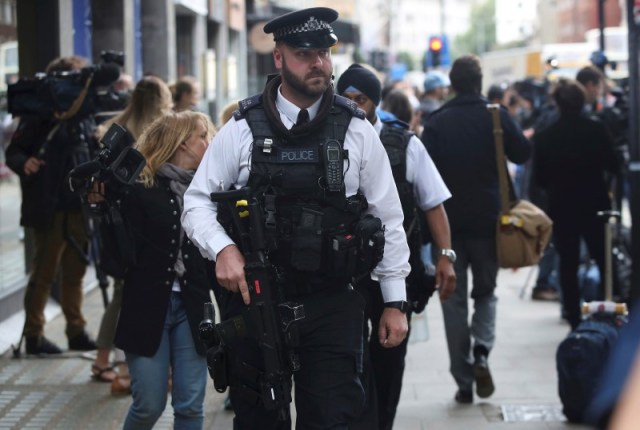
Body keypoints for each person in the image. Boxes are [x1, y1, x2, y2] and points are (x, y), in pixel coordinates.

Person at [182, 7, 411, 429]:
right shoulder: (243, 127)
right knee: (260, 419)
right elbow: (195, 203)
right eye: (305, 54)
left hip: (332, 301)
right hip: (257, 299)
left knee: (332, 417)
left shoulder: (356, 128)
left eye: (324, 52)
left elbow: (387, 217)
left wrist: (395, 302)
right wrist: (224, 249)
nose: (318, 63)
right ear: (279, 58)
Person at [337, 64, 456, 430]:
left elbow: (433, 203)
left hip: (395, 273)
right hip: (343, 275)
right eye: (347, 98)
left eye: (363, 99)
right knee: (347, 362)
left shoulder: (405, 144)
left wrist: (445, 257)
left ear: (375, 101)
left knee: (389, 358)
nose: (355, 106)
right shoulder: (326, 140)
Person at [422, 55, 531, 404]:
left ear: (452, 85)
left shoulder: (437, 122)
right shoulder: (496, 115)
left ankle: (464, 380)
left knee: (452, 300)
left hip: (447, 228)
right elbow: (523, 154)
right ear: (480, 81)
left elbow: (423, 178)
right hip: (489, 223)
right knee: (486, 292)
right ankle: (482, 350)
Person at [113, 110, 217, 429]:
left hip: (193, 305)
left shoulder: (210, 190)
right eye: (202, 136)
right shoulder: (140, 187)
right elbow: (117, 258)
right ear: (182, 142)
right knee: (149, 405)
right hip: (146, 306)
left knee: (190, 404)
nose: (208, 142)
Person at [5, 55, 100, 355]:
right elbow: (13, 152)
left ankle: (76, 331)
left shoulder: (83, 114)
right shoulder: (40, 115)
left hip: (78, 205)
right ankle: (34, 335)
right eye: (74, 78)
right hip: (48, 206)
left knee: (76, 272)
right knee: (44, 273)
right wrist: (25, 162)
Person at [90, 75, 174, 389]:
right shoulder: (163, 131)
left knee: (120, 293)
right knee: (148, 293)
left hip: (117, 224)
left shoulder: (114, 131)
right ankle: (135, 369)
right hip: (150, 226)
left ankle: (104, 360)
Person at [532, 79, 618, 330]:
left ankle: (572, 314)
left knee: (567, 262)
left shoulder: (546, 136)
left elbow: (540, 179)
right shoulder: (596, 129)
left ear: (557, 103)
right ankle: (606, 309)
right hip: (595, 205)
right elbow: (613, 164)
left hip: (562, 206)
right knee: (603, 260)